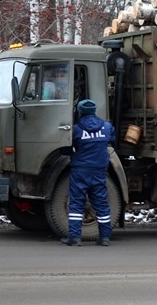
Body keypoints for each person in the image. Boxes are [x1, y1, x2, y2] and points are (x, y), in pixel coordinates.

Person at [60, 99, 116, 246]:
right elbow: (112, 140)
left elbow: (66, 148)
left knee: (77, 204)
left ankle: (74, 238)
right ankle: (104, 238)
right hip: (99, 170)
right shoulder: (106, 127)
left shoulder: (76, 129)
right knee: (102, 204)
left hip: (81, 171)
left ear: (80, 112)